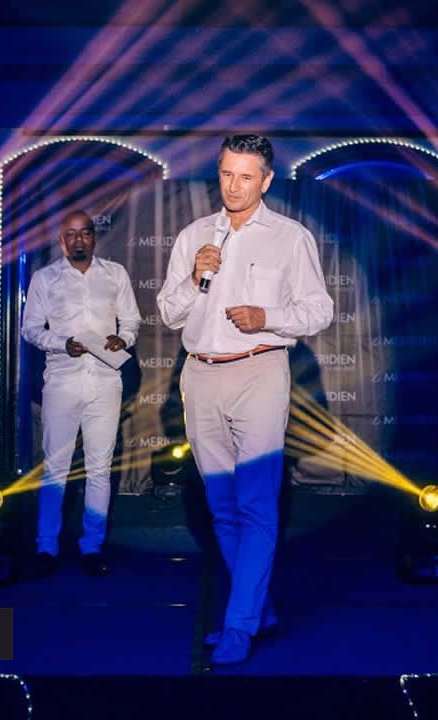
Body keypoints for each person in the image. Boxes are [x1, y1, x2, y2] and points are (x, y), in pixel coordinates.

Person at [157, 134, 333, 664]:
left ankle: (238, 625)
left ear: (267, 180)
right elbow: (168, 313)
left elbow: (319, 310)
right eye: (226, 173)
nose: (233, 186)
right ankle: (257, 609)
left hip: (260, 371)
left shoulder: (290, 238)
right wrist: (195, 277)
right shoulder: (193, 236)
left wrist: (267, 318)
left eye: (246, 176)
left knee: (255, 503)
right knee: (222, 508)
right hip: (200, 375)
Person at [21, 209, 140, 577]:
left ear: (93, 236)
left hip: (105, 381)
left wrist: (124, 338)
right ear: (61, 240)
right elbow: (30, 329)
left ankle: (92, 547)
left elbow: (132, 320)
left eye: (84, 233)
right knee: (55, 469)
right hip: (62, 381)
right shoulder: (45, 278)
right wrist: (62, 343)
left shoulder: (115, 274)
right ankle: (46, 547)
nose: (78, 240)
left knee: (99, 469)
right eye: (70, 234)